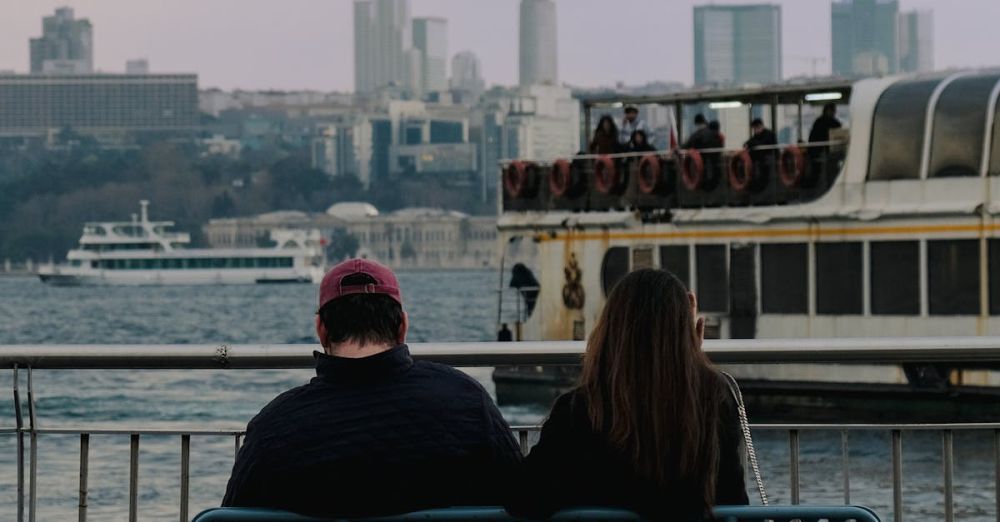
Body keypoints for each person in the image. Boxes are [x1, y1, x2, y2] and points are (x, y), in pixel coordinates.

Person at [223, 258, 522, 517]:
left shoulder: (273, 427)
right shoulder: (468, 401)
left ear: (321, 330)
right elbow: (520, 499)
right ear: (402, 326)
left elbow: (232, 515)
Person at [508, 269, 748, 521]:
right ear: (685, 336)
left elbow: (524, 499)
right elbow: (733, 500)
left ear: (610, 330)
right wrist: (693, 361)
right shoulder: (712, 402)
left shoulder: (578, 411)